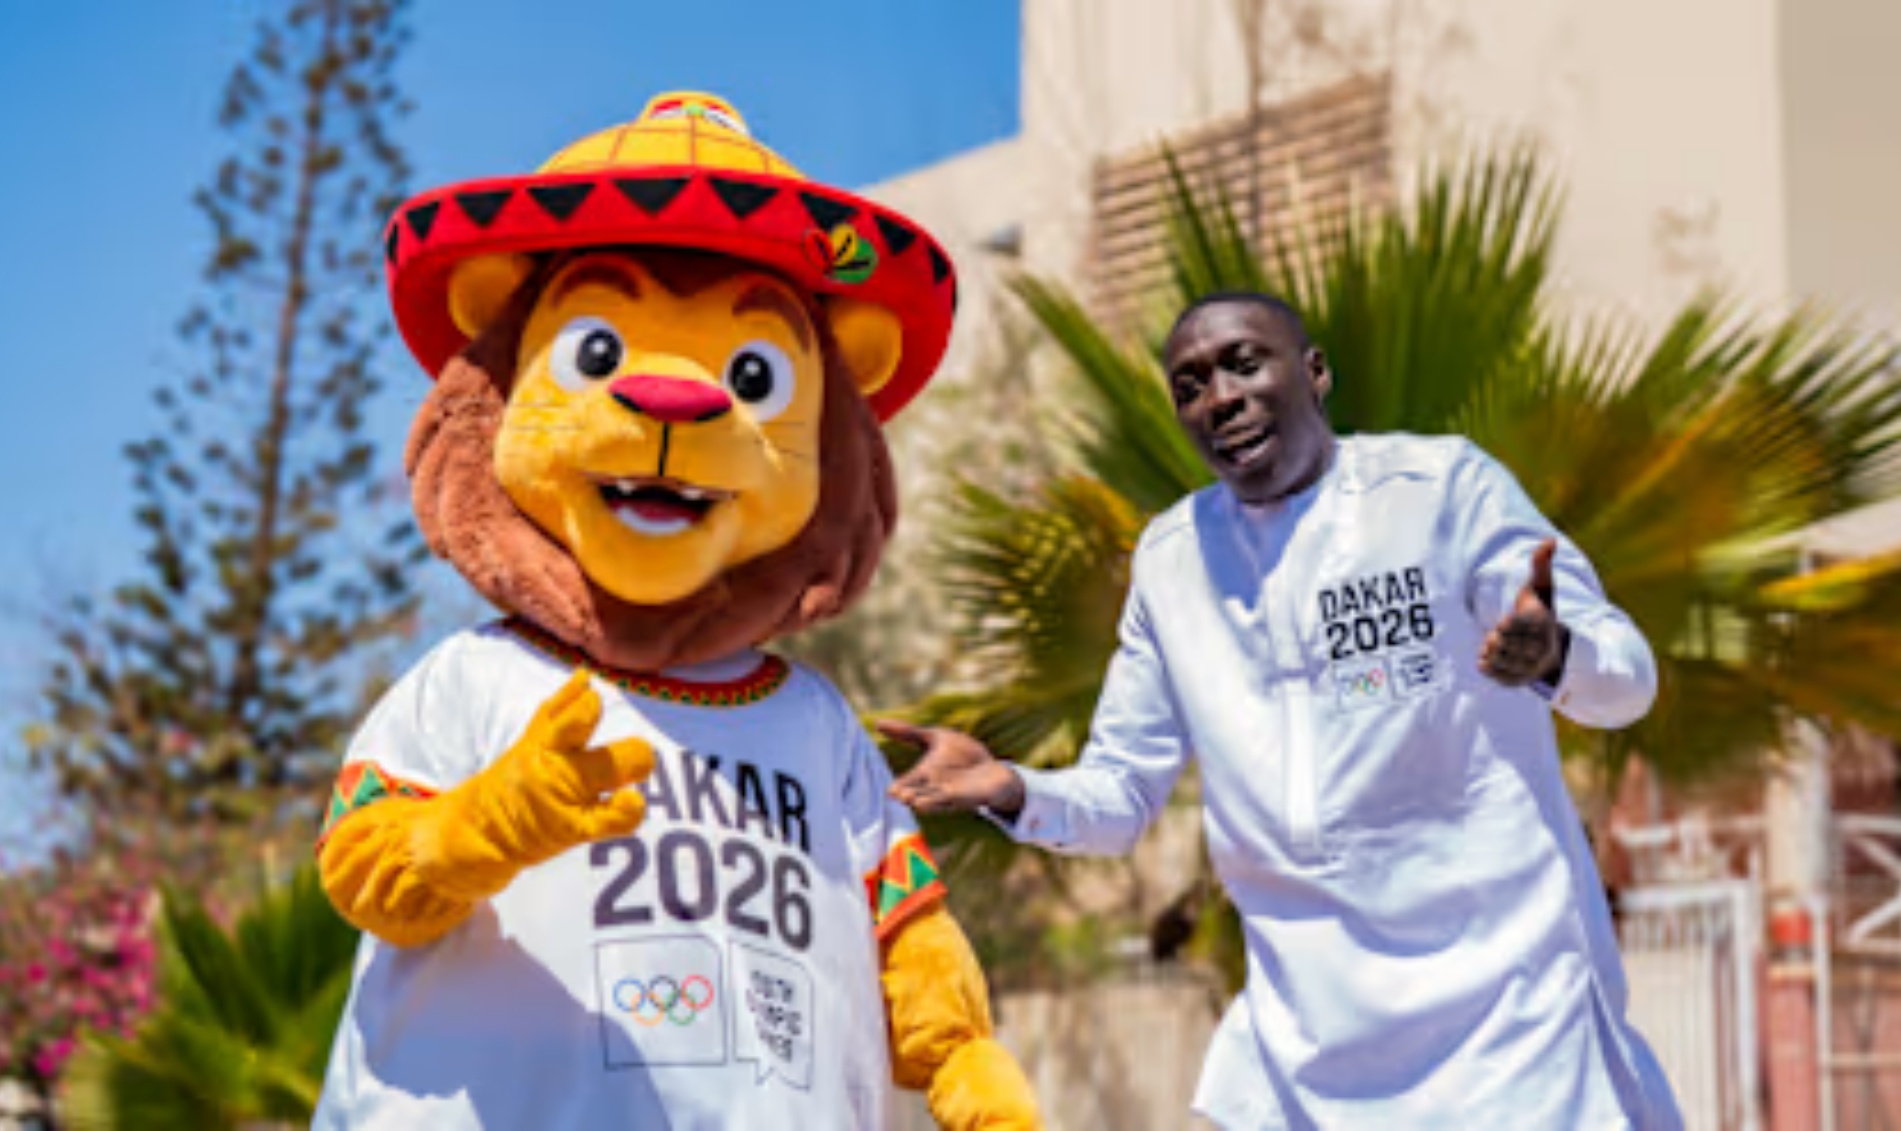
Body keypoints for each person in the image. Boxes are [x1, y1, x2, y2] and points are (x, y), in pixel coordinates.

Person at [880, 292, 1683, 1129]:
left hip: (1511, 1019)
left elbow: (1625, 680)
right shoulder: (1173, 560)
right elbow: (1117, 794)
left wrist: (1555, 654)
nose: (1219, 399)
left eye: (1242, 364)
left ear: (1314, 372)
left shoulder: (1439, 490)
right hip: (1305, 1041)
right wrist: (1011, 786)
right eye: (1189, 386)